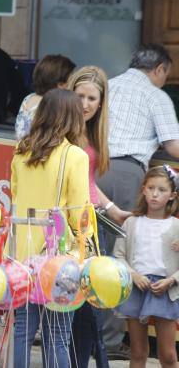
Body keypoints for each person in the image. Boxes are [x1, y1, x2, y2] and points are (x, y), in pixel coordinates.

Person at [99, 44, 179, 359]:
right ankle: (108, 340)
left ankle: (85, 335)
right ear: (158, 69)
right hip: (126, 173)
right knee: (120, 252)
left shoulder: (107, 86)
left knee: (94, 252)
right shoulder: (156, 96)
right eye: (166, 75)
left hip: (94, 171)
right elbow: (173, 145)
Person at [11, 88, 91, 368]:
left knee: (22, 331)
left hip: (21, 255)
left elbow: (17, 198)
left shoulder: (21, 152)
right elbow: (79, 213)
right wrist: (88, 247)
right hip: (58, 257)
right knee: (57, 336)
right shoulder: (75, 156)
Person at [67, 66, 129, 368]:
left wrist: (113, 210)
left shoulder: (94, 131)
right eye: (80, 96)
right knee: (73, 303)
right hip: (68, 226)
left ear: (101, 102)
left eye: (92, 98)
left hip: (91, 224)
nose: (85, 104)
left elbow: (89, 182)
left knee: (89, 306)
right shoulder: (62, 129)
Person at [114, 166, 179, 368]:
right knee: (138, 351)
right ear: (143, 189)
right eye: (151, 188)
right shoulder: (131, 222)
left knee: (168, 355)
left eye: (162, 190)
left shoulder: (176, 226)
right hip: (136, 287)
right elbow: (118, 256)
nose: (155, 194)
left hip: (165, 290)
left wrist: (171, 280)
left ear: (172, 195)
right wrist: (133, 275)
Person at [15, 54, 75, 139]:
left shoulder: (29, 98)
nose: (74, 84)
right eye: (71, 79)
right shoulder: (54, 106)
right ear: (60, 85)